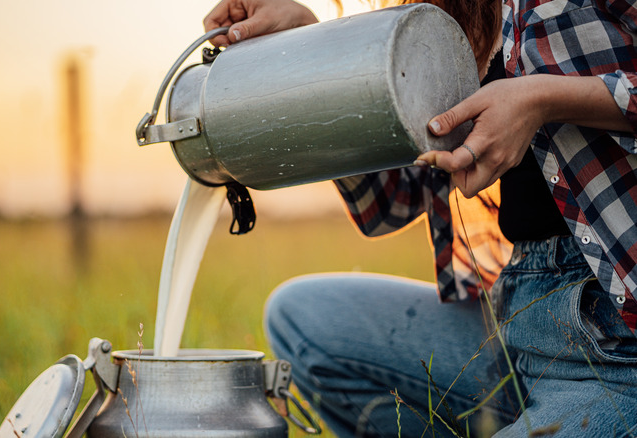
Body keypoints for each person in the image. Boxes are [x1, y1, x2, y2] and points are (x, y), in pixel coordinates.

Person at [205, 0, 637, 436]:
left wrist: (543, 100)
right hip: (519, 319)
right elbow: (395, 199)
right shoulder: (466, 13)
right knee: (299, 316)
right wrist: (313, 54)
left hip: (621, 346)